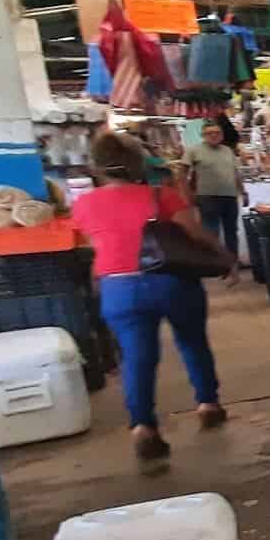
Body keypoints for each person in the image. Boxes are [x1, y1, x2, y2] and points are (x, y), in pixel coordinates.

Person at [71, 131, 230, 461]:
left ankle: (143, 425)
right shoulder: (162, 196)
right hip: (170, 279)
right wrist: (222, 253)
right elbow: (194, 232)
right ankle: (207, 403)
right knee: (192, 342)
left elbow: (90, 243)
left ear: (98, 166)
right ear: (138, 162)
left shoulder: (84, 203)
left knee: (137, 358)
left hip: (119, 286)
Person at [185, 114, 244, 259]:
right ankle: (216, 261)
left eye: (217, 133)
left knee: (232, 231)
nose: (214, 136)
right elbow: (183, 172)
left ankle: (233, 262)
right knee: (211, 231)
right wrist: (187, 193)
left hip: (229, 196)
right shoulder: (194, 151)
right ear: (203, 135)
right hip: (207, 196)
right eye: (209, 133)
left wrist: (243, 191)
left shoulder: (228, 151)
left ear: (222, 134)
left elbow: (235, 172)